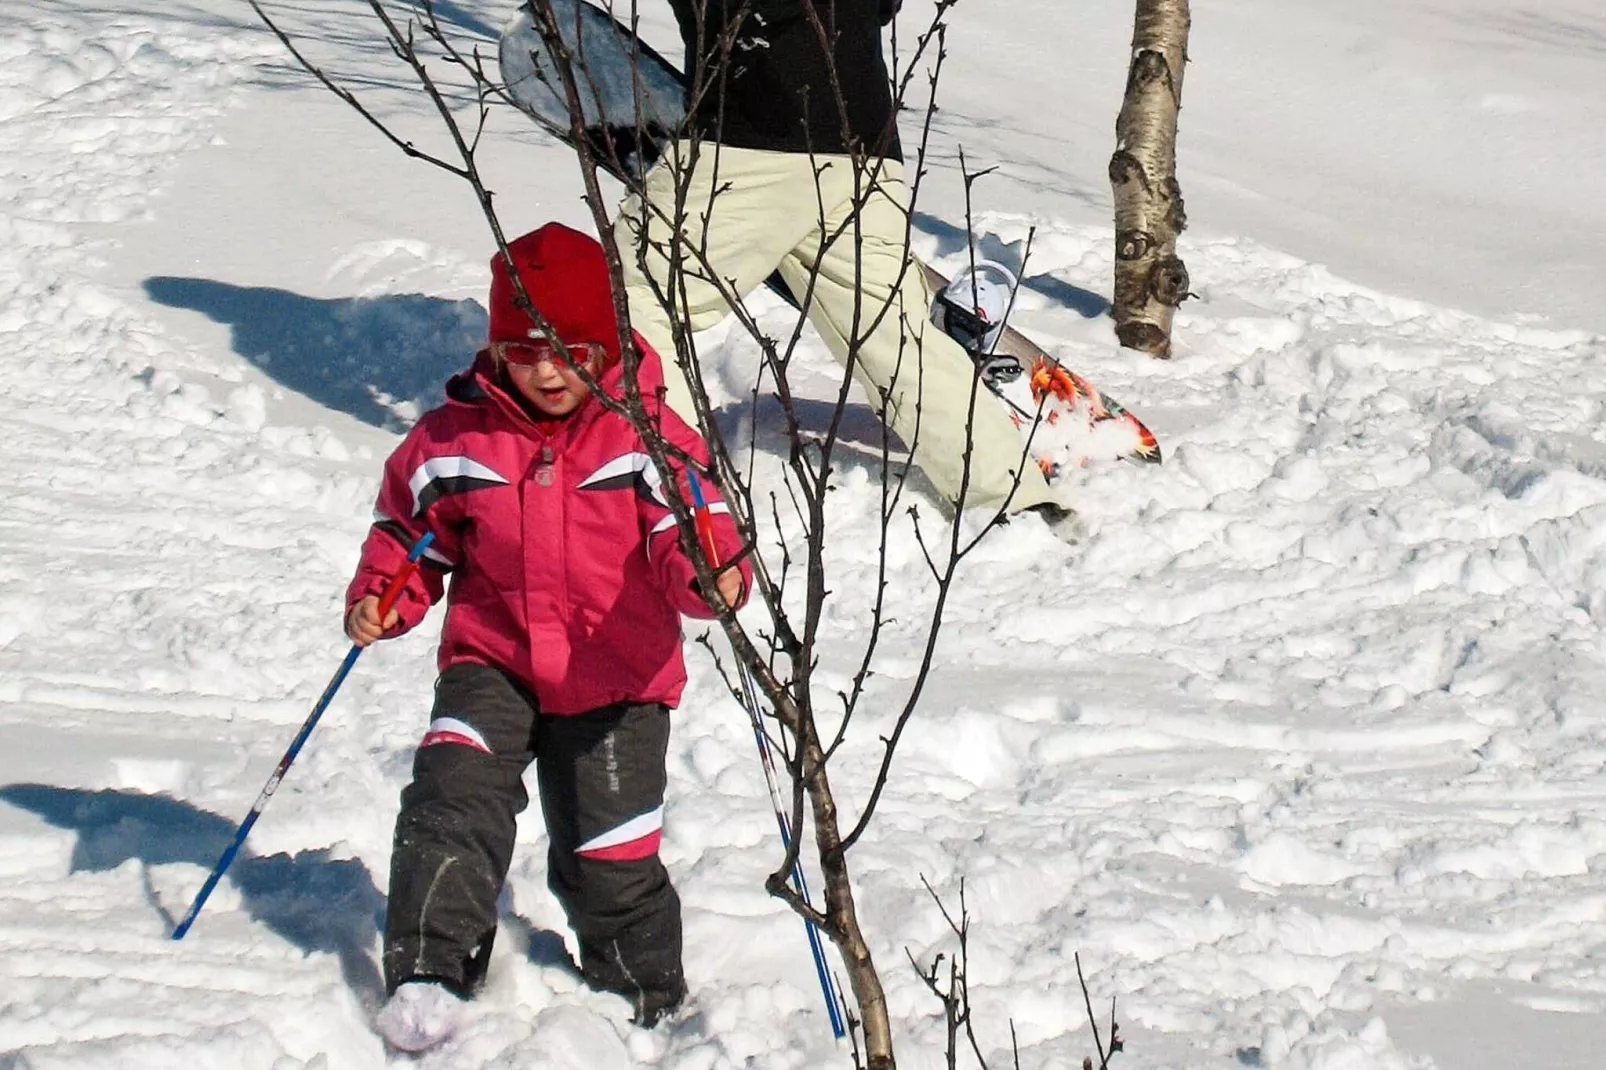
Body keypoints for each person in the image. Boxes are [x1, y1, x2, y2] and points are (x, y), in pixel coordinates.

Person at [344, 222, 750, 1051]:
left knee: (608, 851)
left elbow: (694, 526)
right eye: (526, 351)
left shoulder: (648, 440)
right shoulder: (454, 439)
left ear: (605, 344)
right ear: (497, 350)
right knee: (453, 800)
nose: (549, 369)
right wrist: (387, 594)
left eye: (571, 349)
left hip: (619, 679)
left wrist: (711, 576)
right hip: (492, 662)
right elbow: (411, 530)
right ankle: (430, 967)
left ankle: (643, 991)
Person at [615, 0, 1072, 522]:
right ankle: (1013, 495)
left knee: (633, 298)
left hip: (752, 137)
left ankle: (654, 489)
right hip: (864, 145)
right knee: (895, 339)